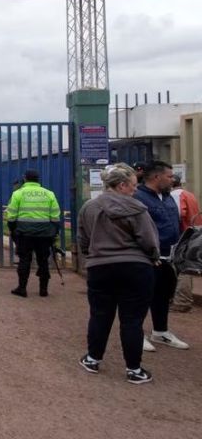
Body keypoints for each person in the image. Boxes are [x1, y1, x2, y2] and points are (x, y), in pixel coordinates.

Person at [77, 163, 159, 385]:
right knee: (132, 320)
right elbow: (149, 240)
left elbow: (83, 240)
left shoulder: (89, 208)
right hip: (135, 268)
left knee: (100, 315)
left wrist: (93, 255)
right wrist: (153, 258)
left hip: (100, 267)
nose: (135, 189)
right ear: (122, 185)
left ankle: (93, 359)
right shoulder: (137, 208)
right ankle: (134, 369)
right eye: (133, 185)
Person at [133, 161, 189, 350]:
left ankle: (160, 332)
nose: (172, 179)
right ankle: (135, 333)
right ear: (157, 177)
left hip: (169, 255)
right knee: (142, 295)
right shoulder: (138, 197)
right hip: (148, 256)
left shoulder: (167, 197)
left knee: (163, 295)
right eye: (169, 176)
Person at [7, 169, 61, 297]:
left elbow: (11, 216)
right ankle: (43, 290)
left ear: (24, 178)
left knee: (24, 260)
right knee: (43, 261)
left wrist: (13, 229)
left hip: (24, 233)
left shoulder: (18, 194)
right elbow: (55, 216)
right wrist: (53, 232)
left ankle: (22, 288)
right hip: (44, 234)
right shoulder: (49, 194)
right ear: (38, 180)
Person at [170, 174, 200, 312]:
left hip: (183, 235)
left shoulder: (176, 195)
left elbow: (179, 214)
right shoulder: (189, 194)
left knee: (182, 267)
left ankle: (181, 301)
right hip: (194, 233)